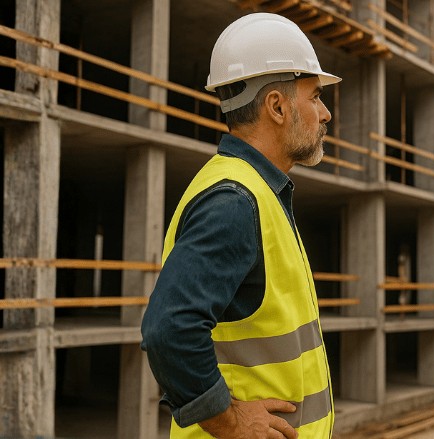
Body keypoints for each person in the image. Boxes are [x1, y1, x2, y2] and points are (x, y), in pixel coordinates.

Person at [141, 13, 340, 439]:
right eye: (316, 97)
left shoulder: (256, 192)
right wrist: (230, 421)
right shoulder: (234, 201)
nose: (325, 114)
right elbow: (169, 330)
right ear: (278, 107)